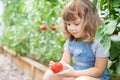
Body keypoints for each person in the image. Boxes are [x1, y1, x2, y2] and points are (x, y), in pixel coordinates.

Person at [43, 0, 110, 80]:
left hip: (96, 77)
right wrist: (58, 66)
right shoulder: (71, 42)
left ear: (89, 22)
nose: (71, 28)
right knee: (50, 74)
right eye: (68, 24)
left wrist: (75, 73)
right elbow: (65, 61)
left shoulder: (99, 42)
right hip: (77, 75)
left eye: (76, 24)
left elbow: (99, 71)